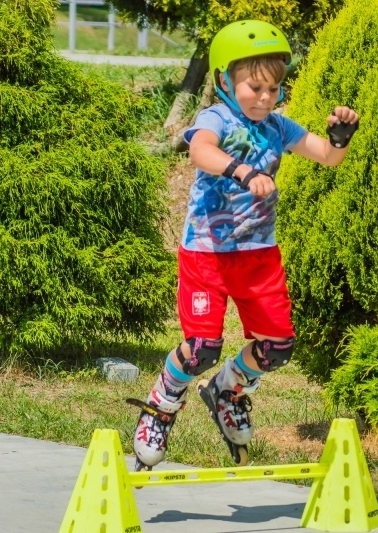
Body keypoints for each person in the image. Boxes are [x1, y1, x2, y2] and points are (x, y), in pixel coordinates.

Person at [132, 19, 359, 470]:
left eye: (273, 88)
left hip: (258, 255)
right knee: (201, 349)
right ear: (224, 81)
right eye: (255, 87)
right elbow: (200, 151)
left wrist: (340, 136)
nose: (265, 97)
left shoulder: (278, 126)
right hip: (208, 253)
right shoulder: (215, 117)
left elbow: (329, 158)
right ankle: (162, 402)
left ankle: (228, 389)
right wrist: (243, 171)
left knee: (277, 347)